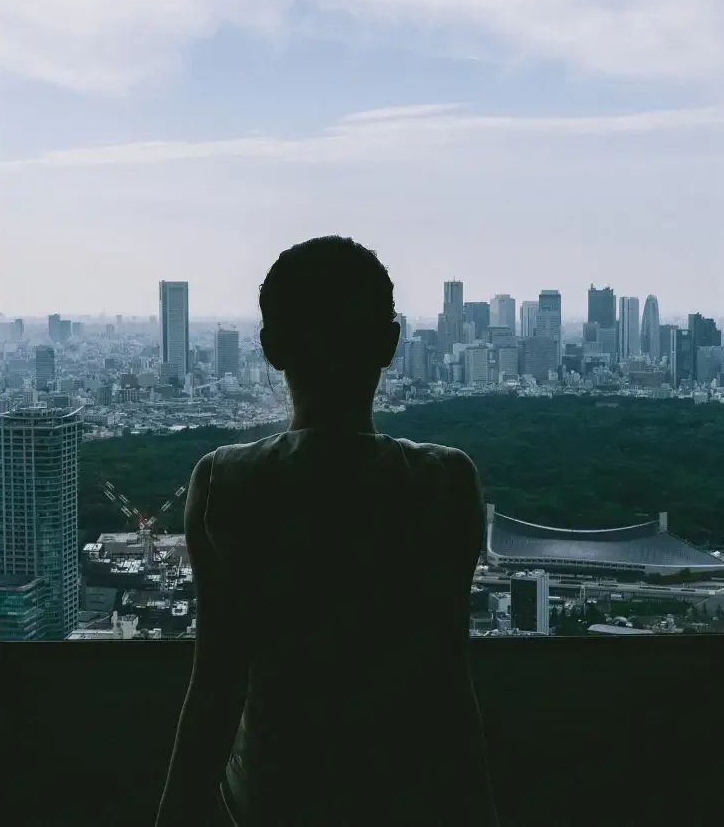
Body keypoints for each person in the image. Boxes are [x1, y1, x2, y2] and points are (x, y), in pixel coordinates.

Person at [154, 236, 500, 827]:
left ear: (270, 347)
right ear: (390, 344)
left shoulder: (224, 484)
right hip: (405, 794)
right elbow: (448, 680)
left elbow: (215, 685)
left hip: (271, 796)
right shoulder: (444, 485)